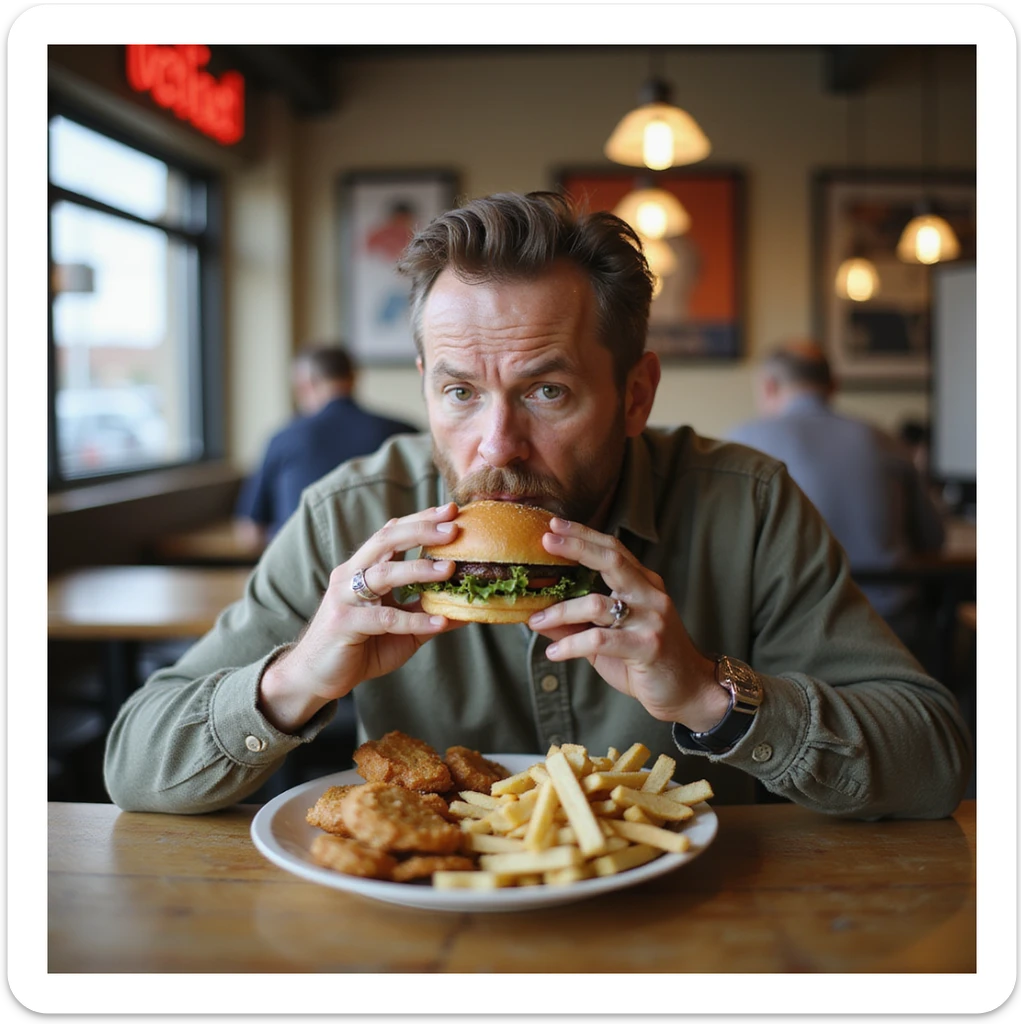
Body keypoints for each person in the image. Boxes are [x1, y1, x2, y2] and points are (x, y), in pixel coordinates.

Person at [105, 192, 972, 820]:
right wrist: (297, 678)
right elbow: (135, 762)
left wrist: (711, 696)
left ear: (635, 395)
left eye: (547, 392)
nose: (496, 447)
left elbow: (934, 760)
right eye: (459, 393)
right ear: (425, 385)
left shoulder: (748, 506)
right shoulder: (352, 517)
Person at [726, 340, 948, 663]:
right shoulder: (885, 440)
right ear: (833, 385)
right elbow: (933, 538)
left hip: (796, 638)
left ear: (769, 386)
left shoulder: (744, 443)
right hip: (893, 631)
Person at [234, 345, 418, 542]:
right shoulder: (404, 432)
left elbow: (250, 530)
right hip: (392, 558)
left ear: (305, 385)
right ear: (353, 378)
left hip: (304, 560)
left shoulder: (284, 438)